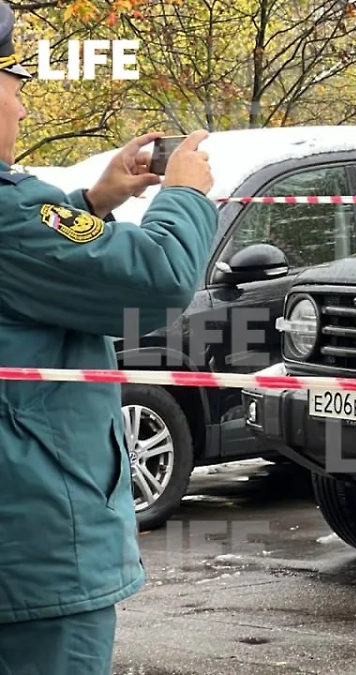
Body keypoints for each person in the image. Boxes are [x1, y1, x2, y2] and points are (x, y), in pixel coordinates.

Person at [0, 2, 219, 672]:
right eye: (13, 82)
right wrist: (185, 197)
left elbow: (34, 260)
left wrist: (93, 202)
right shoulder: (10, 216)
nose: (22, 107)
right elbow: (156, 281)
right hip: (34, 561)